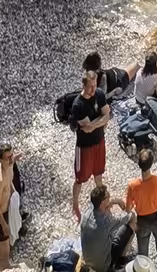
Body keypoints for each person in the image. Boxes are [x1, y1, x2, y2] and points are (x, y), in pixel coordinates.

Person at [70, 67, 112, 220]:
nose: (93, 89)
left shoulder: (99, 94)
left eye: (95, 85)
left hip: (99, 141)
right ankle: (75, 205)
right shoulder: (78, 105)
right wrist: (100, 122)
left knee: (99, 173)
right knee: (80, 178)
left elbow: (107, 115)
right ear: (84, 86)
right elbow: (86, 129)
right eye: (90, 86)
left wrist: (95, 124)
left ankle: (102, 201)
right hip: (85, 147)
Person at [125, 144, 157, 272]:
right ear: (152, 163)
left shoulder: (132, 185)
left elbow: (128, 209)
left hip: (142, 221)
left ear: (139, 164)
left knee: (143, 255)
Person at [79, 181, 134, 272]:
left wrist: (113, 202)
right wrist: (131, 213)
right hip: (103, 266)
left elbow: (104, 210)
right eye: (108, 197)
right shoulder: (105, 222)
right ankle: (119, 261)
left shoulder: (86, 214)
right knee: (131, 225)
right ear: (102, 203)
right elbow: (127, 217)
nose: (110, 197)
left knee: (111, 233)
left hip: (88, 260)